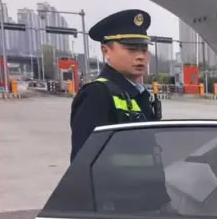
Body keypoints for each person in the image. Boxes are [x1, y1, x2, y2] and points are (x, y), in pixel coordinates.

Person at [69, 9, 162, 161]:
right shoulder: (96, 94)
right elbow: (85, 162)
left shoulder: (140, 94)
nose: (140, 56)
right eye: (131, 49)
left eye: (144, 50)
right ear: (106, 51)